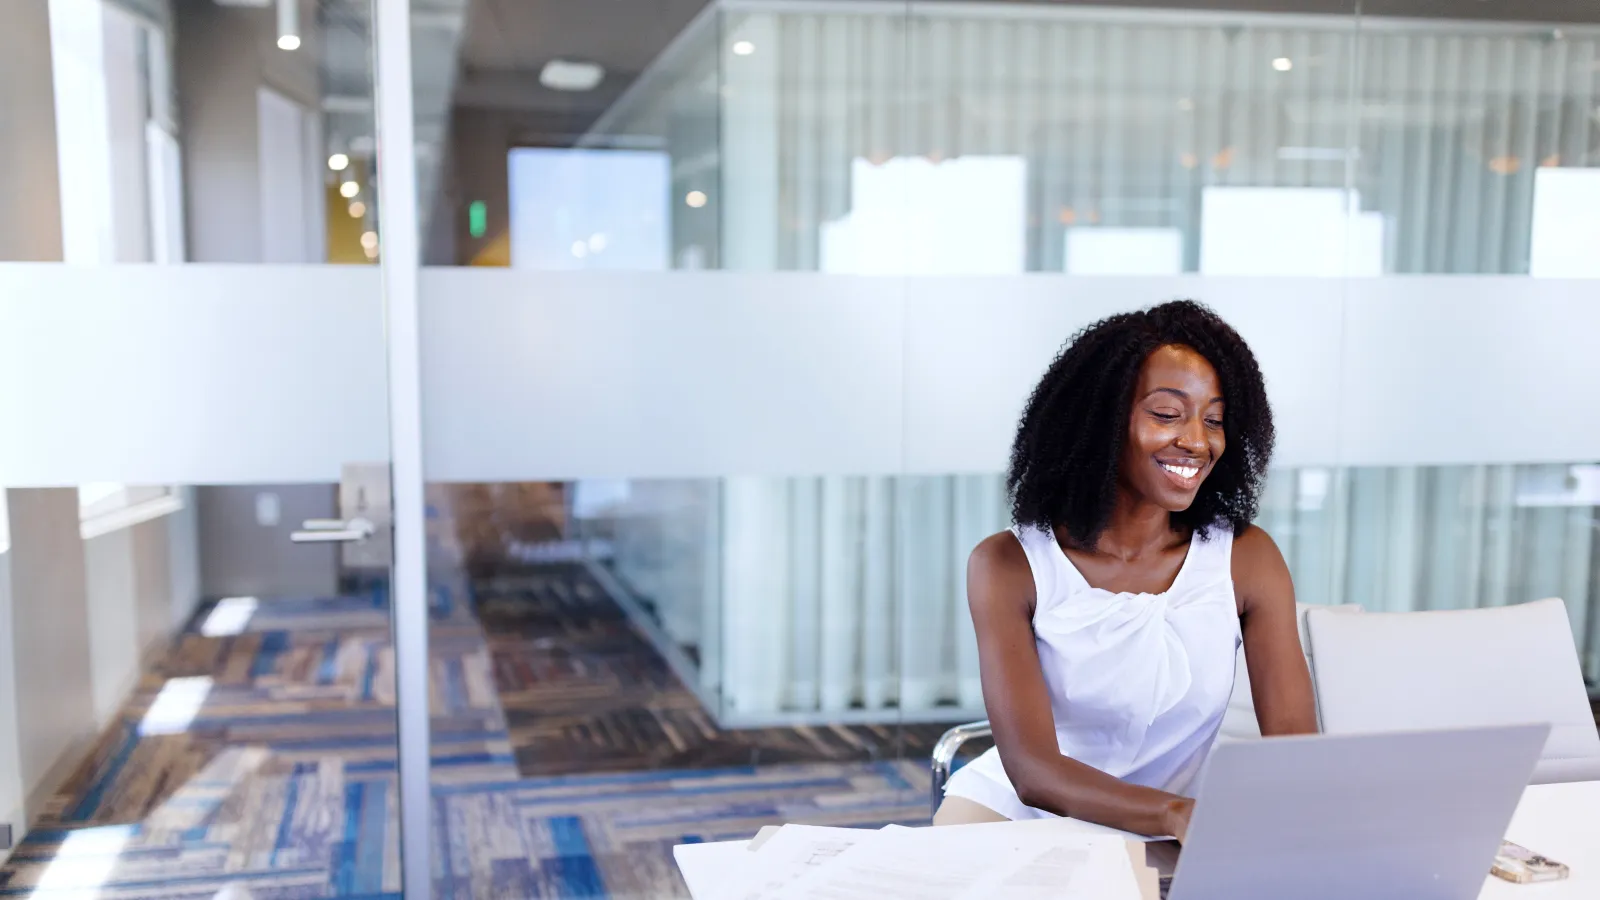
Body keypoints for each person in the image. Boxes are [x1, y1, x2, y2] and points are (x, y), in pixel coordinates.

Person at [934, 300, 1318, 840]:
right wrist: (1174, 815)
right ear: (1101, 421)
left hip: (1174, 827)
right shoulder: (1007, 565)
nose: (1196, 440)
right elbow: (1033, 773)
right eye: (1166, 414)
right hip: (1025, 816)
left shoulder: (1247, 559)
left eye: (1214, 420)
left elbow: (1296, 749)